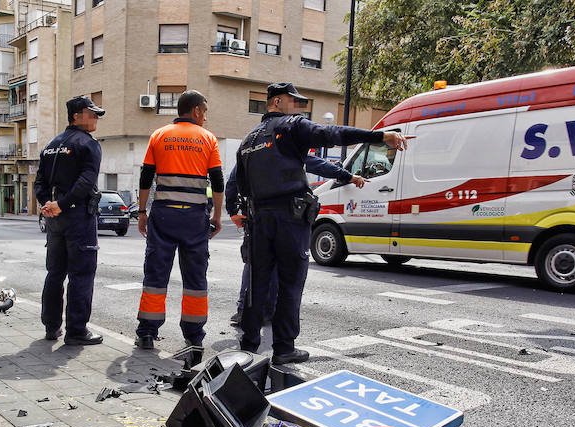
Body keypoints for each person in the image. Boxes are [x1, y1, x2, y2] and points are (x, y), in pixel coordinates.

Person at [235, 82, 407, 364]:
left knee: (258, 282)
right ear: (277, 102)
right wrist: (379, 137)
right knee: (290, 282)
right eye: (294, 101)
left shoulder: (249, 140)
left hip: (258, 221)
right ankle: (284, 349)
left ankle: (248, 345)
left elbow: (241, 183)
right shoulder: (290, 126)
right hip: (289, 219)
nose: (299, 107)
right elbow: (332, 134)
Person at [226, 156, 366, 326]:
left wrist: (233, 210)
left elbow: (233, 181)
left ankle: (245, 311)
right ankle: (267, 312)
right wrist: (349, 177)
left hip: (258, 217)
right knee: (277, 264)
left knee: (254, 263)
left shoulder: (252, 147)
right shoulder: (287, 147)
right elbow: (320, 165)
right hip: (285, 218)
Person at [135, 90, 224, 350]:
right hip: (195, 217)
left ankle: (148, 332)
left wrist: (142, 212)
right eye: (205, 111)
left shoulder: (159, 135)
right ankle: (194, 335)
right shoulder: (208, 139)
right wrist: (217, 216)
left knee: (155, 274)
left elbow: (146, 177)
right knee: (195, 277)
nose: (205, 117)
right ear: (196, 110)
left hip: (163, 214)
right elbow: (217, 181)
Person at [32, 96, 105, 345]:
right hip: (78, 217)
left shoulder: (51, 145)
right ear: (76, 115)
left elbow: (39, 181)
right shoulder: (89, 145)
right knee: (81, 274)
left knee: (54, 273)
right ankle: (76, 331)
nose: (96, 117)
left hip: (55, 219)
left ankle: (52, 327)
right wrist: (61, 205)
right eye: (91, 113)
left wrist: (47, 206)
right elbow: (86, 182)